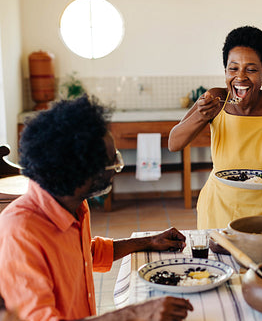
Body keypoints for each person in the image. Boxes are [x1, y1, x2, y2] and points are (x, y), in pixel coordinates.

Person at [0, 96, 193, 321]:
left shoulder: (74, 204)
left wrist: (147, 242)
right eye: (111, 162)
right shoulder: (20, 232)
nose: (115, 170)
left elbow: (83, 254)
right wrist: (134, 314)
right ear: (80, 173)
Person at [168, 26, 262, 229]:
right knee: (218, 261)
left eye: (251, 69)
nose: (240, 77)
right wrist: (200, 114)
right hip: (218, 208)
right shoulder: (216, 99)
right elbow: (174, 143)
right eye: (233, 68)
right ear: (225, 71)